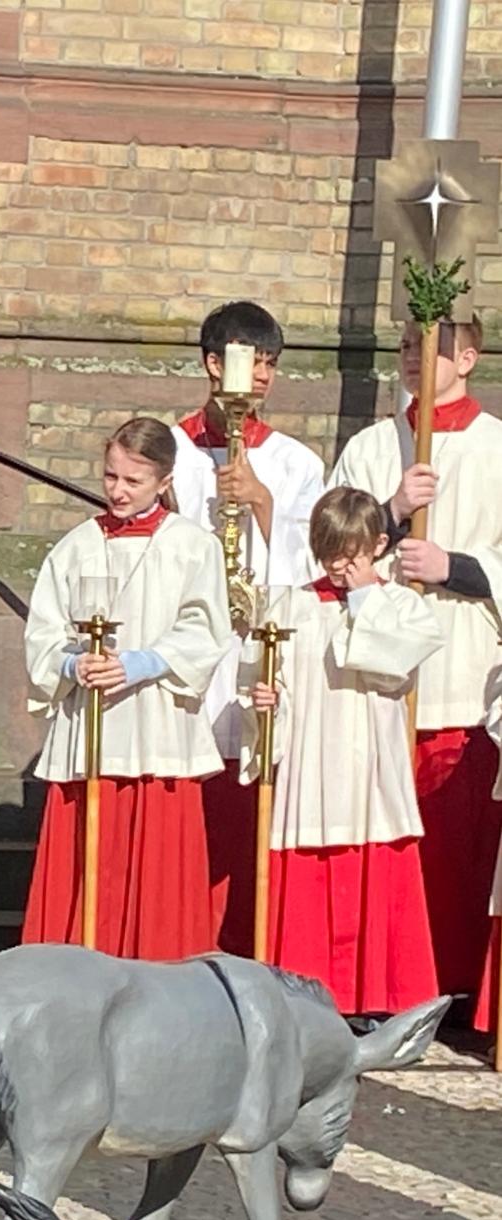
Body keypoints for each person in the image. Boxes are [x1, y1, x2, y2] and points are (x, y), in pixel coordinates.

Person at [329, 316, 502, 1007]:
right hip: (385, 676)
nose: (409, 360)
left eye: (426, 350)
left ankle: (455, 982)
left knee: (457, 847)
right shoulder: (374, 447)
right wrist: (394, 511)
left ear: (467, 356)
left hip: (463, 666)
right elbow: (331, 540)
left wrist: (456, 565)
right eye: (402, 347)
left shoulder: (497, 448)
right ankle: (392, 983)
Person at [22, 417, 231, 958]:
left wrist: (143, 662)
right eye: (111, 476)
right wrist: (70, 667)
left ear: (164, 481)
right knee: (88, 865)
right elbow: (43, 632)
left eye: (133, 481)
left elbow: (206, 627)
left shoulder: (191, 545)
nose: (117, 490)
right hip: (88, 729)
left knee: (155, 866)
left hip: (155, 724)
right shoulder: (76, 546)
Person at [244, 487, 441, 1020]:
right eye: (329, 551)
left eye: (351, 553)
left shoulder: (403, 605)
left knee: (374, 871)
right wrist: (266, 702)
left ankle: (380, 998)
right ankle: (303, 999)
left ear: (378, 545)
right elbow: (260, 680)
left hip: (369, 766)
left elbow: (389, 664)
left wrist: (363, 599)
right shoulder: (289, 606)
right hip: (309, 763)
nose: (338, 565)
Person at [170, 302, 323, 952]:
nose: (260, 375)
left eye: (269, 363)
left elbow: (315, 567)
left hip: (256, 651)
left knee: (246, 807)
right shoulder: (167, 448)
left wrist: (264, 503)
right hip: (191, 653)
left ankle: (245, 947)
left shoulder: (296, 463)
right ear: (212, 363)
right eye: (247, 360)